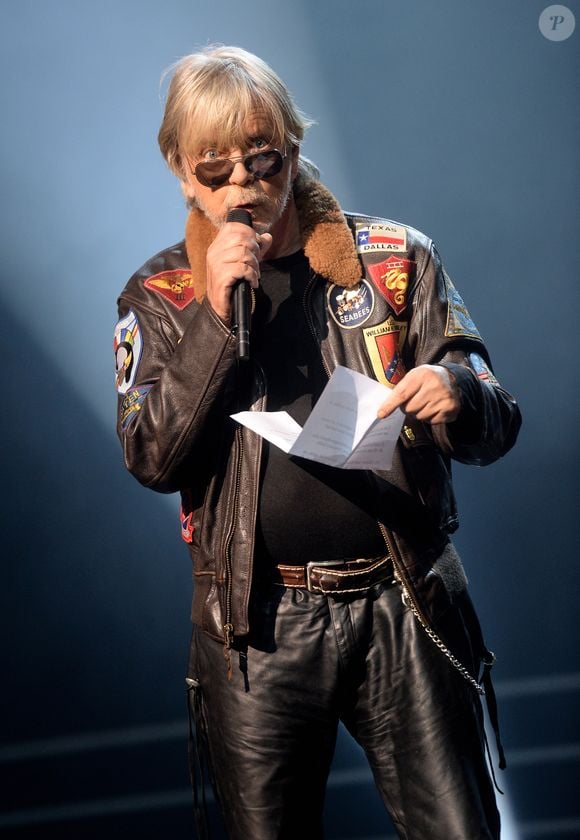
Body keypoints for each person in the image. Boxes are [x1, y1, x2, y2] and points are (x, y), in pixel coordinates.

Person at [114, 45, 521, 840]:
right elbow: (151, 458)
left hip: (404, 601)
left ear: (294, 148)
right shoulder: (159, 297)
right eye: (217, 168)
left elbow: (498, 417)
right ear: (179, 170)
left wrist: (459, 396)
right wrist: (211, 314)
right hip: (256, 625)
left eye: (262, 162)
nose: (242, 187)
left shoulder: (396, 259)